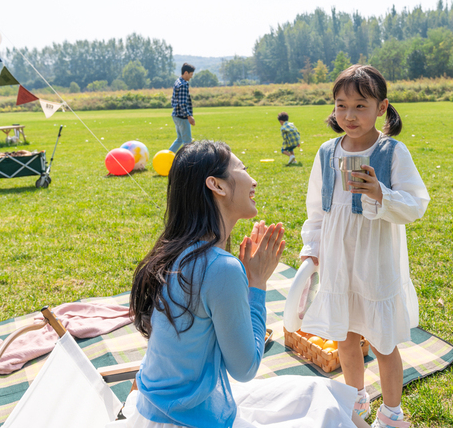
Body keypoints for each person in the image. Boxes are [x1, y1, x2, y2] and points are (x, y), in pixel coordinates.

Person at [127, 140, 368, 428]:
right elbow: (244, 368)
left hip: (160, 410)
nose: (253, 180)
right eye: (242, 169)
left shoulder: (175, 251)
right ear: (217, 185)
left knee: (321, 391)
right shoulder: (219, 267)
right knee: (328, 413)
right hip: (186, 420)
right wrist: (257, 285)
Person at [299, 65, 430, 428]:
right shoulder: (327, 153)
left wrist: (379, 192)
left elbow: (415, 203)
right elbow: (317, 207)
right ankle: (354, 402)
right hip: (339, 263)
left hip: (376, 262)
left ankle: (391, 413)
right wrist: (312, 250)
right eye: (342, 106)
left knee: (383, 342)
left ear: (381, 107)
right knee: (346, 336)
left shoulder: (392, 152)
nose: (350, 115)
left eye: (360, 105)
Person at [169, 63, 195, 153]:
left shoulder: (177, 81)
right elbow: (182, 103)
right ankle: (188, 163)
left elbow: (174, 101)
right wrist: (189, 116)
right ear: (186, 72)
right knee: (187, 142)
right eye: (191, 74)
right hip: (182, 117)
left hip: (176, 115)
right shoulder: (183, 85)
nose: (191, 77)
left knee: (179, 139)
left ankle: (167, 156)